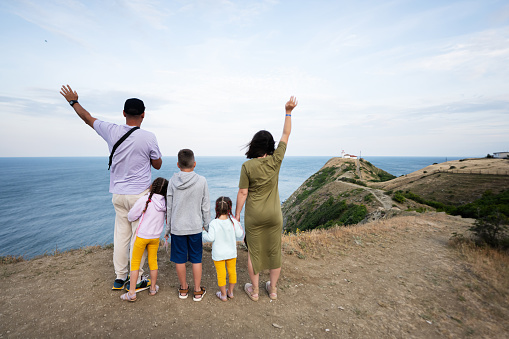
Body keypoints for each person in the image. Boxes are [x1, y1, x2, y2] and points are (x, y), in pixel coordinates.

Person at [60, 85, 163, 291]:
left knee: (120, 236)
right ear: (144, 115)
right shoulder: (149, 137)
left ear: (124, 113)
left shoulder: (111, 130)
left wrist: (73, 102)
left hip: (118, 195)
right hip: (140, 196)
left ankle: (119, 277)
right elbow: (157, 164)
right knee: (139, 237)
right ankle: (138, 277)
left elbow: (87, 118)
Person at [235, 96, 298, 301]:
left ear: (254, 145)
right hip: (273, 215)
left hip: (254, 215)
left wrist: (236, 215)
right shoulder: (276, 160)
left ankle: (254, 291)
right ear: (270, 146)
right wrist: (288, 111)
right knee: (274, 251)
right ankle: (272, 290)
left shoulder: (247, 166)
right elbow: (286, 134)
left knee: (254, 252)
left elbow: (243, 193)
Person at [164, 149, 210, 301]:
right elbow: (206, 206)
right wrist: (207, 225)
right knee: (196, 259)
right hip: (195, 226)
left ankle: (183, 289)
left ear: (178, 164)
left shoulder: (172, 182)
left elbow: (169, 207)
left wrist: (168, 228)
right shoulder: (202, 181)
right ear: (194, 163)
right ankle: (197, 291)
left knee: (180, 259)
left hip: (177, 227)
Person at [120, 177, 168, 301]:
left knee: (135, 262)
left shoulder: (145, 199)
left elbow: (131, 216)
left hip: (142, 237)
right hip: (155, 238)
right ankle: (152, 288)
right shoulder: (165, 203)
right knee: (153, 262)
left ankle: (131, 293)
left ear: (153, 186)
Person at [202, 197, 244, 301]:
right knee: (232, 272)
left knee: (221, 275)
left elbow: (210, 238)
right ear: (229, 208)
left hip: (218, 254)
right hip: (231, 253)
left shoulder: (214, 223)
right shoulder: (233, 222)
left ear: (216, 209)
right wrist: (238, 222)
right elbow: (240, 234)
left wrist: (203, 232)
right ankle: (230, 292)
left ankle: (223, 294)